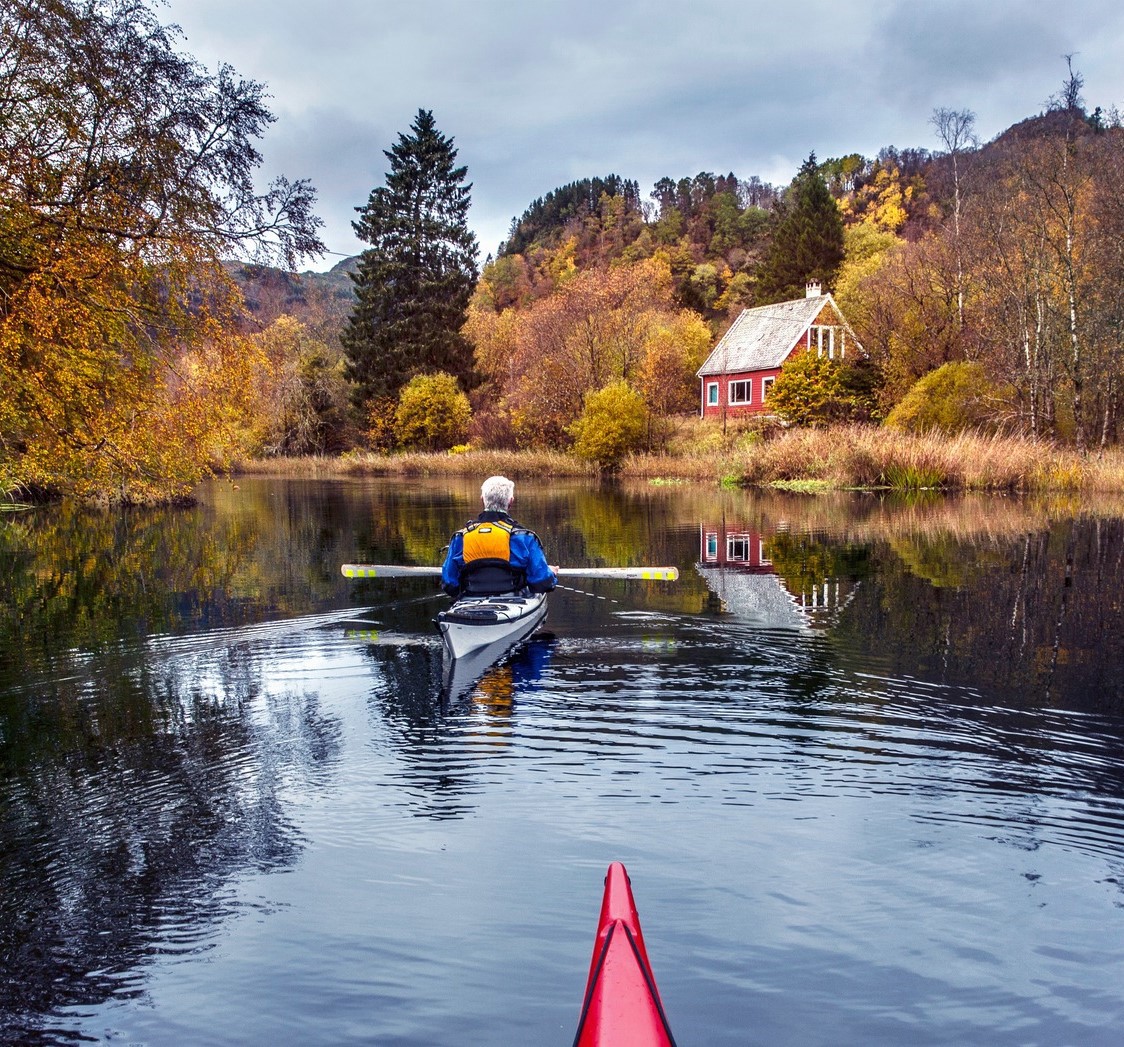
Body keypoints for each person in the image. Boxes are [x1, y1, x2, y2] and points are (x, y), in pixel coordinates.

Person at [441, 476, 557, 598]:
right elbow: (542, 583)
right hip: (514, 600)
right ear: (511, 501)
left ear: (482, 500)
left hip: (471, 599)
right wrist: (551, 573)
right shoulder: (525, 537)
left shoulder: (460, 538)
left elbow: (449, 584)